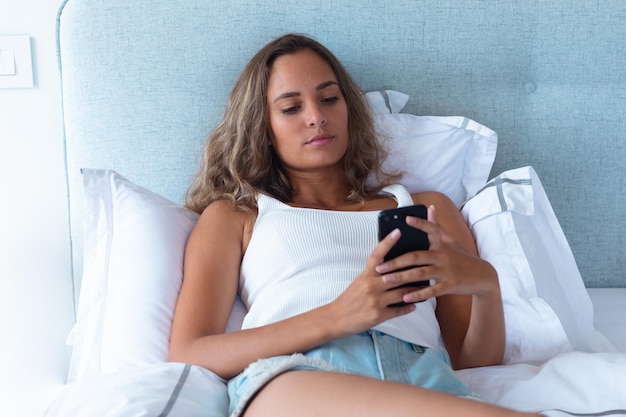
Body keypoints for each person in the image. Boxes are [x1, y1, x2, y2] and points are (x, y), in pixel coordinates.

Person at [169, 33, 540, 417]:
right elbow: (191, 350)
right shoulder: (239, 215)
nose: (317, 116)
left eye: (329, 98)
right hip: (299, 373)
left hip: (422, 378)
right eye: (291, 107)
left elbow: (473, 362)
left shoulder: (425, 208)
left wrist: (485, 284)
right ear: (262, 127)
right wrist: (340, 315)